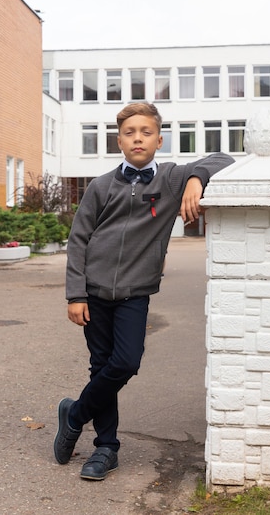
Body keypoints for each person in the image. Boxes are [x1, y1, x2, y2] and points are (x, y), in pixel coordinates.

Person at [54, 101, 234, 480]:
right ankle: (106, 448)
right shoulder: (101, 186)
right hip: (94, 292)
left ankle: (74, 414)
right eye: (130, 133)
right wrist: (75, 294)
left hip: (135, 294)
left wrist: (196, 179)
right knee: (101, 366)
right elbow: (78, 240)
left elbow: (225, 157)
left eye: (146, 132)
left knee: (126, 363)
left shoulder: (170, 179)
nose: (138, 138)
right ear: (119, 140)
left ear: (159, 140)